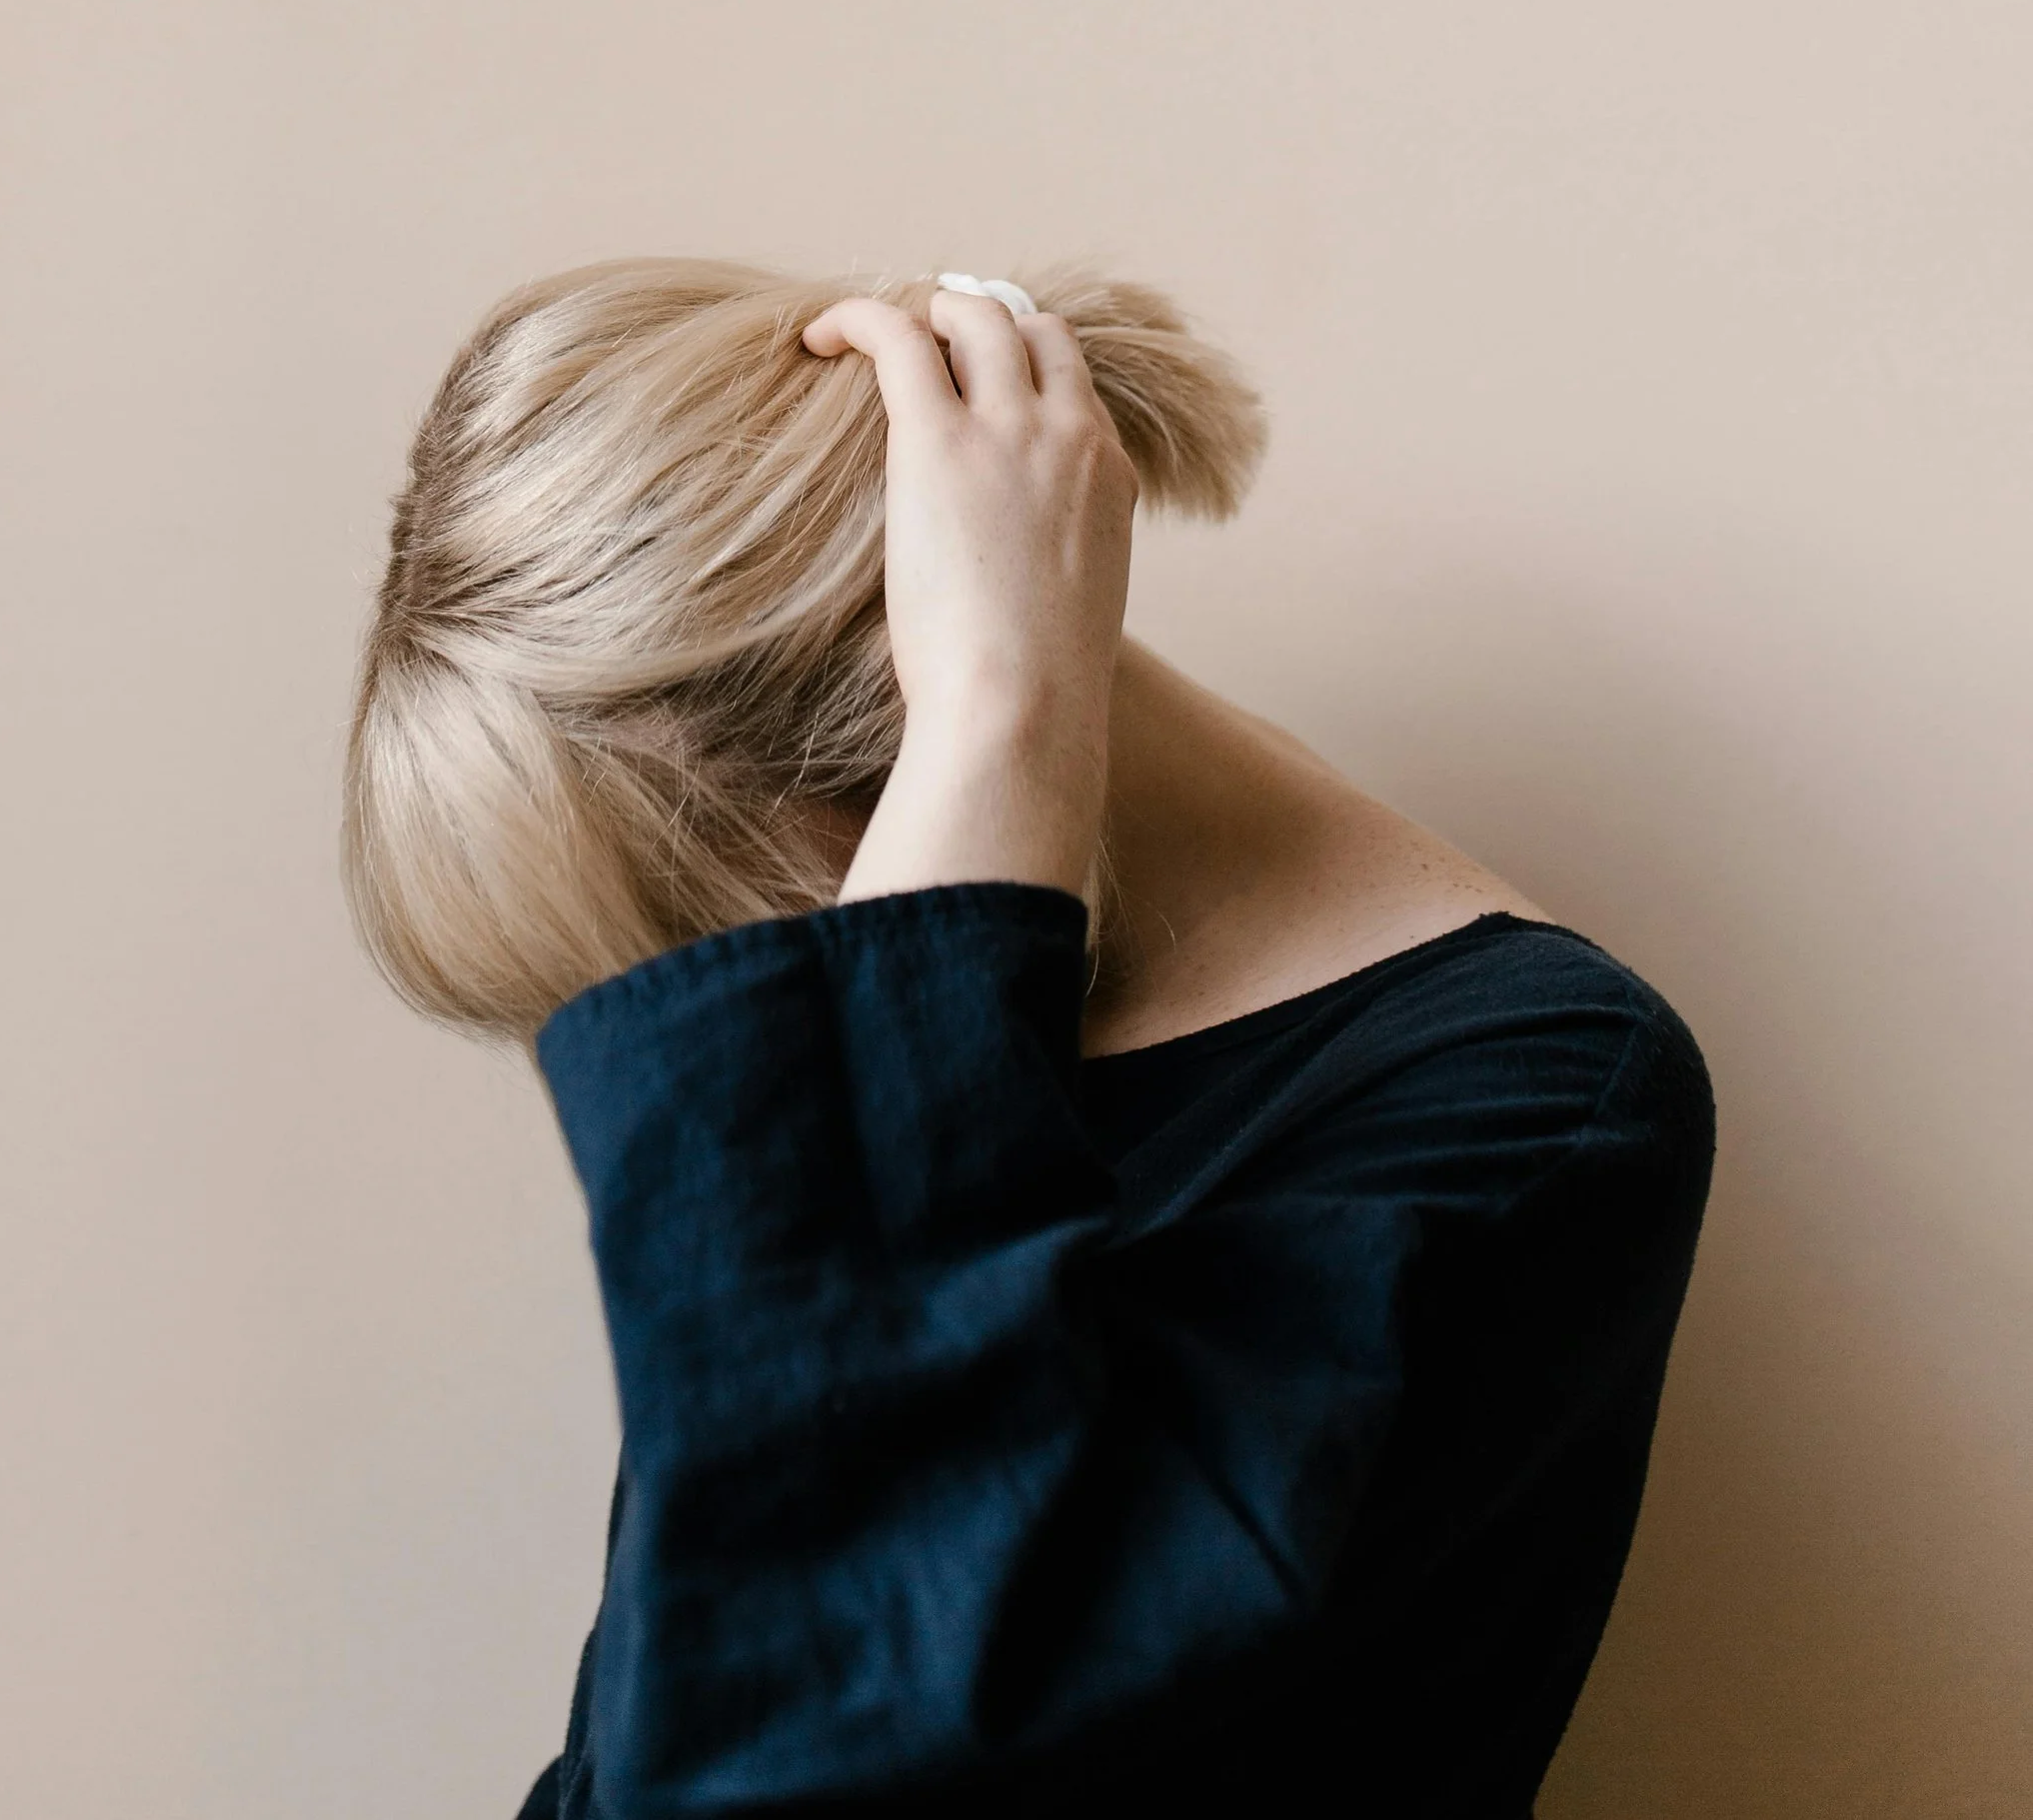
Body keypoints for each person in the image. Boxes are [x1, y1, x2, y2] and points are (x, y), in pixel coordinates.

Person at [345, 261, 1713, 1818]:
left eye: (705, 959)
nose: (737, 1054)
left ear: (895, 765)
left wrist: (997, 712)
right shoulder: (889, 1144)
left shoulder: (1539, 1097)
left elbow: (844, 1733)